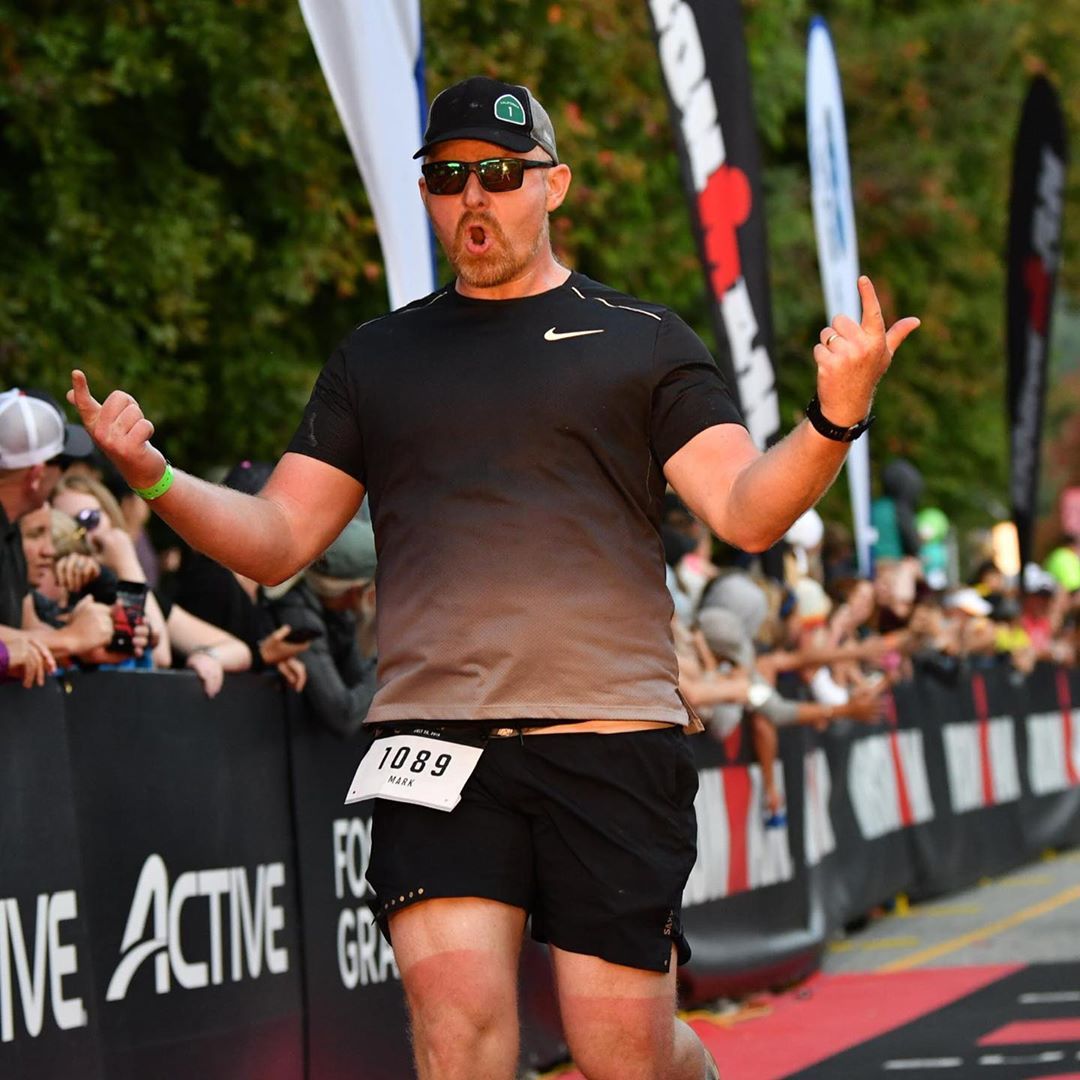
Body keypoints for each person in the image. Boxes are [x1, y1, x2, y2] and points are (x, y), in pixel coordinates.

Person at [68, 75, 919, 1080]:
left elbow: (745, 510)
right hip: (434, 742)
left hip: (606, 738)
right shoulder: (379, 358)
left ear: (552, 185)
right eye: (447, 177)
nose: (473, 196)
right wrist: (153, 475)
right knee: (460, 1037)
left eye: (500, 175)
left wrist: (832, 420)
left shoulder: (643, 341)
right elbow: (277, 539)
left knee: (624, 1058)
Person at [268, 516, 378, 736]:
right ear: (355, 591)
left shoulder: (337, 612)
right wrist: (396, 662)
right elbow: (344, 715)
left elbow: (358, 680)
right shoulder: (299, 616)